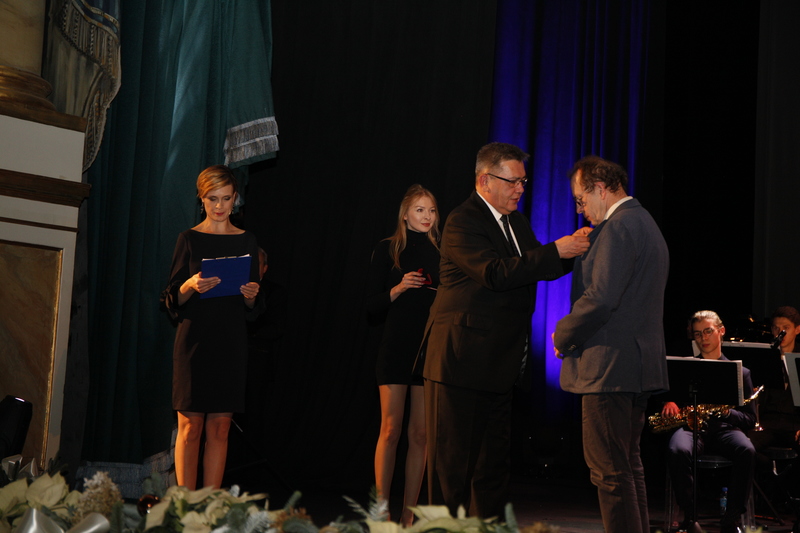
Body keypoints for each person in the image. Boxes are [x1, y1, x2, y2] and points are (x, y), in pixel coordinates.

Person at [419, 142, 589, 518]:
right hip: (460, 364)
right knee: (452, 471)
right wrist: (557, 250)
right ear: (485, 180)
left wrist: (577, 249)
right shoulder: (463, 220)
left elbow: (536, 264)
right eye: (513, 181)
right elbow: (494, 273)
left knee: (492, 471)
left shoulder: (516, 222)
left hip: (499, 365)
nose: (520, 189)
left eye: (523, 182)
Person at [553, 155, 669, 533]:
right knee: (627, 466)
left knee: (610, 472)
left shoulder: (618, 227)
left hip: (610, 369)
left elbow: (601, 299)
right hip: (635, 366)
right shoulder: (645, 222)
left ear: (601, 189)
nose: (580, 209)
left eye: (581, 199)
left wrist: (563, 334)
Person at [162, 164, 261, 490]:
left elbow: (253, 309)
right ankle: (185, 504)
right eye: (212, 198)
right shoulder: (188, 239)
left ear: (235, 199)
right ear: (201, 199)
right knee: (190, 428)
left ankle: (210, 505)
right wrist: (190, 284)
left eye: (226, 198)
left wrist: (251, 296)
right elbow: (171, 298)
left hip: (230, 343)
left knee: (220, 428)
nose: (219, 206)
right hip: (194, 342)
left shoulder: (247, 241)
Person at [366, 184, 440, 526]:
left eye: (432, 210)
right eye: (420, 210)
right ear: (405, 214)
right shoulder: (388, 249)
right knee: (390, 430)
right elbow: (371, 305)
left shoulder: (442, 252)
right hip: (396, 346)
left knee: (421, 435)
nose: (427, 216)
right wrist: (398, 288)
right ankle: (381, 513)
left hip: (428, 349)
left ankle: (410, 516)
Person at [661, 311, 756, 533]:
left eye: (708, 331)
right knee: (677, 449)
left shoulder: (741, 373)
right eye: (697, 334)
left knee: (747, 450)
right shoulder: (684, 368)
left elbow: (750, 419)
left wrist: (726, 413)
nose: (703, 338)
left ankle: (731, 519)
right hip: (691, 428)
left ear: (721, 331)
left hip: (725, 430)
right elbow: (670, 393)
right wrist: (669, 401)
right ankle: (690, 517)